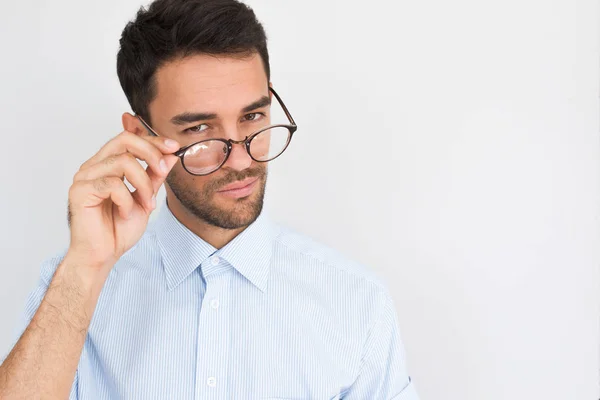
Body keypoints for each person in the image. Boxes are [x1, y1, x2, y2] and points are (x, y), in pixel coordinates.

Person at [0, 0, 418, 398]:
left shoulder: (356, 302)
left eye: (252, 116)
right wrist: (86, 267)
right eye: (200, 129)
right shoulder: (71, 286)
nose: (240, 159)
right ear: (142, 135)